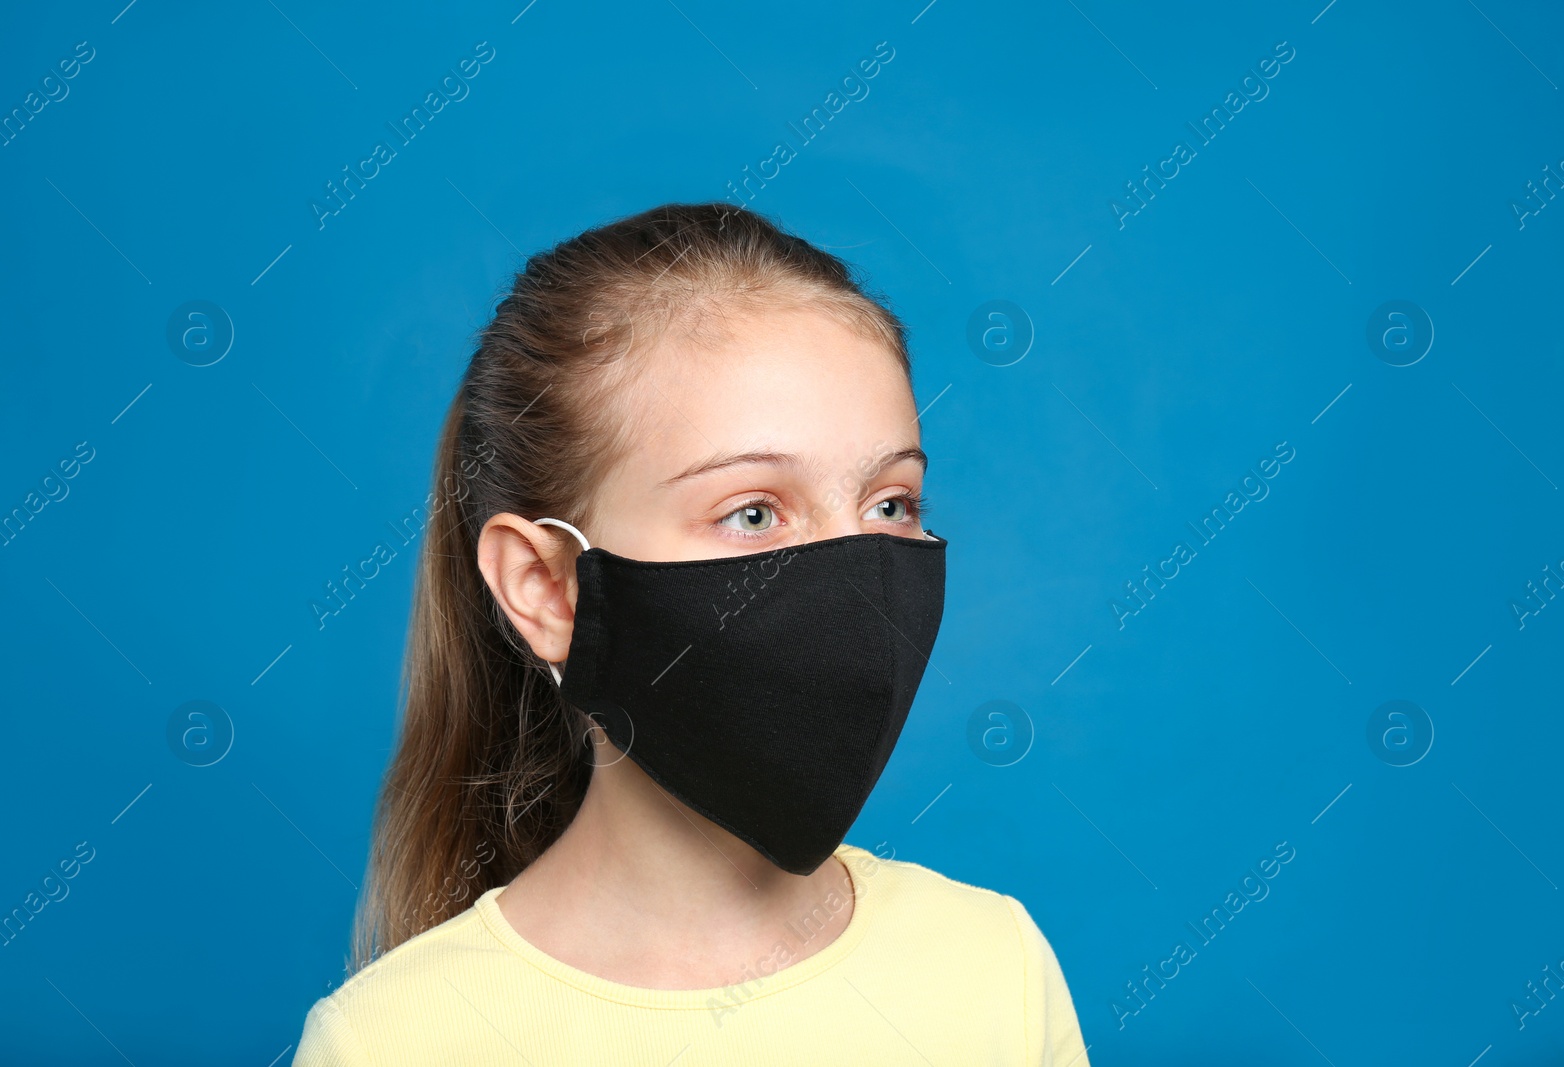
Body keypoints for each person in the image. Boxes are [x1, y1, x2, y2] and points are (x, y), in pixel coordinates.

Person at [290, 202, 1090, 1065]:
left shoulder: (990, 967)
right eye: (753, 511)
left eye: (889, 504)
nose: (855, 582)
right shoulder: (391, 1042)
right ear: (548, 588)